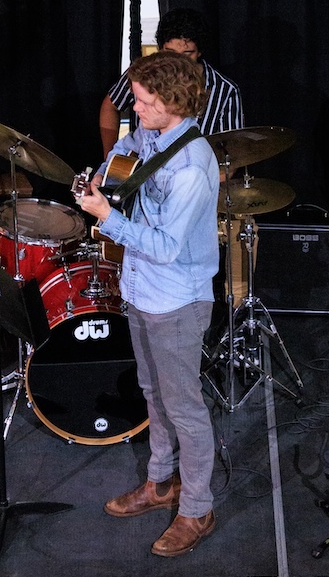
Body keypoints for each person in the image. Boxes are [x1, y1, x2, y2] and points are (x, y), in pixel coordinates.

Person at [77, 51, 220, 557]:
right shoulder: (152, 136)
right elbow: (125, 154)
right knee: (152, 392)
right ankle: (161, 483)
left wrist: (105, 218)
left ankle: (197, 508)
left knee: (184, 407)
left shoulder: (192, 169)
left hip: (176, 301)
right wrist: (103, 181)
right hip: (141, 290)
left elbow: (164, 249)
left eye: (142, 101)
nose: (133, 108)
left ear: (173, 103)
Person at [98, 8, 243, 156]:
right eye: (171, 53)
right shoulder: (144, 74)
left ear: (200, 52)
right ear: (160, 49)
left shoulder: (226, 90)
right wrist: (111, 162)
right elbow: (110, 107)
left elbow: (232, 154)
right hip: (144, 173)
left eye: (187, 54)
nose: (178, 62)